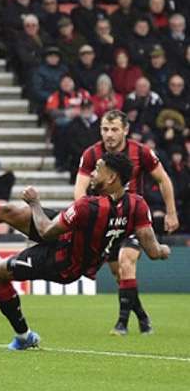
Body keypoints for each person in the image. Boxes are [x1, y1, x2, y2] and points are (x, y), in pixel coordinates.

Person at [0, 152, 170, 349]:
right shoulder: (137, 204)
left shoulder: (88, 206)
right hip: (69, 235)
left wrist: (35, 202)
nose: (92, 173)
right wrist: (164, 250)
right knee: (8, 211)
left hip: (64, 262)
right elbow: (153, 249)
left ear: (111, 177)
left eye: (98, 170)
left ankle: (23, 337)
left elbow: (44, 231)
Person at [74, 110, 178, 334]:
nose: (109, 134)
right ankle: (142, 317)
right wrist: (84, 215)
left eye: (114, 129)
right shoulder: (92, 154)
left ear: (125, 130)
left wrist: (171, 212)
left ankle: (121, 324)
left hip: (133, 218)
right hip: (106, 223)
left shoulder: (141, 152)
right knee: (119, 273)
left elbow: (163, 179)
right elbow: (80, 188)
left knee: (126, 261)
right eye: (105, 129)